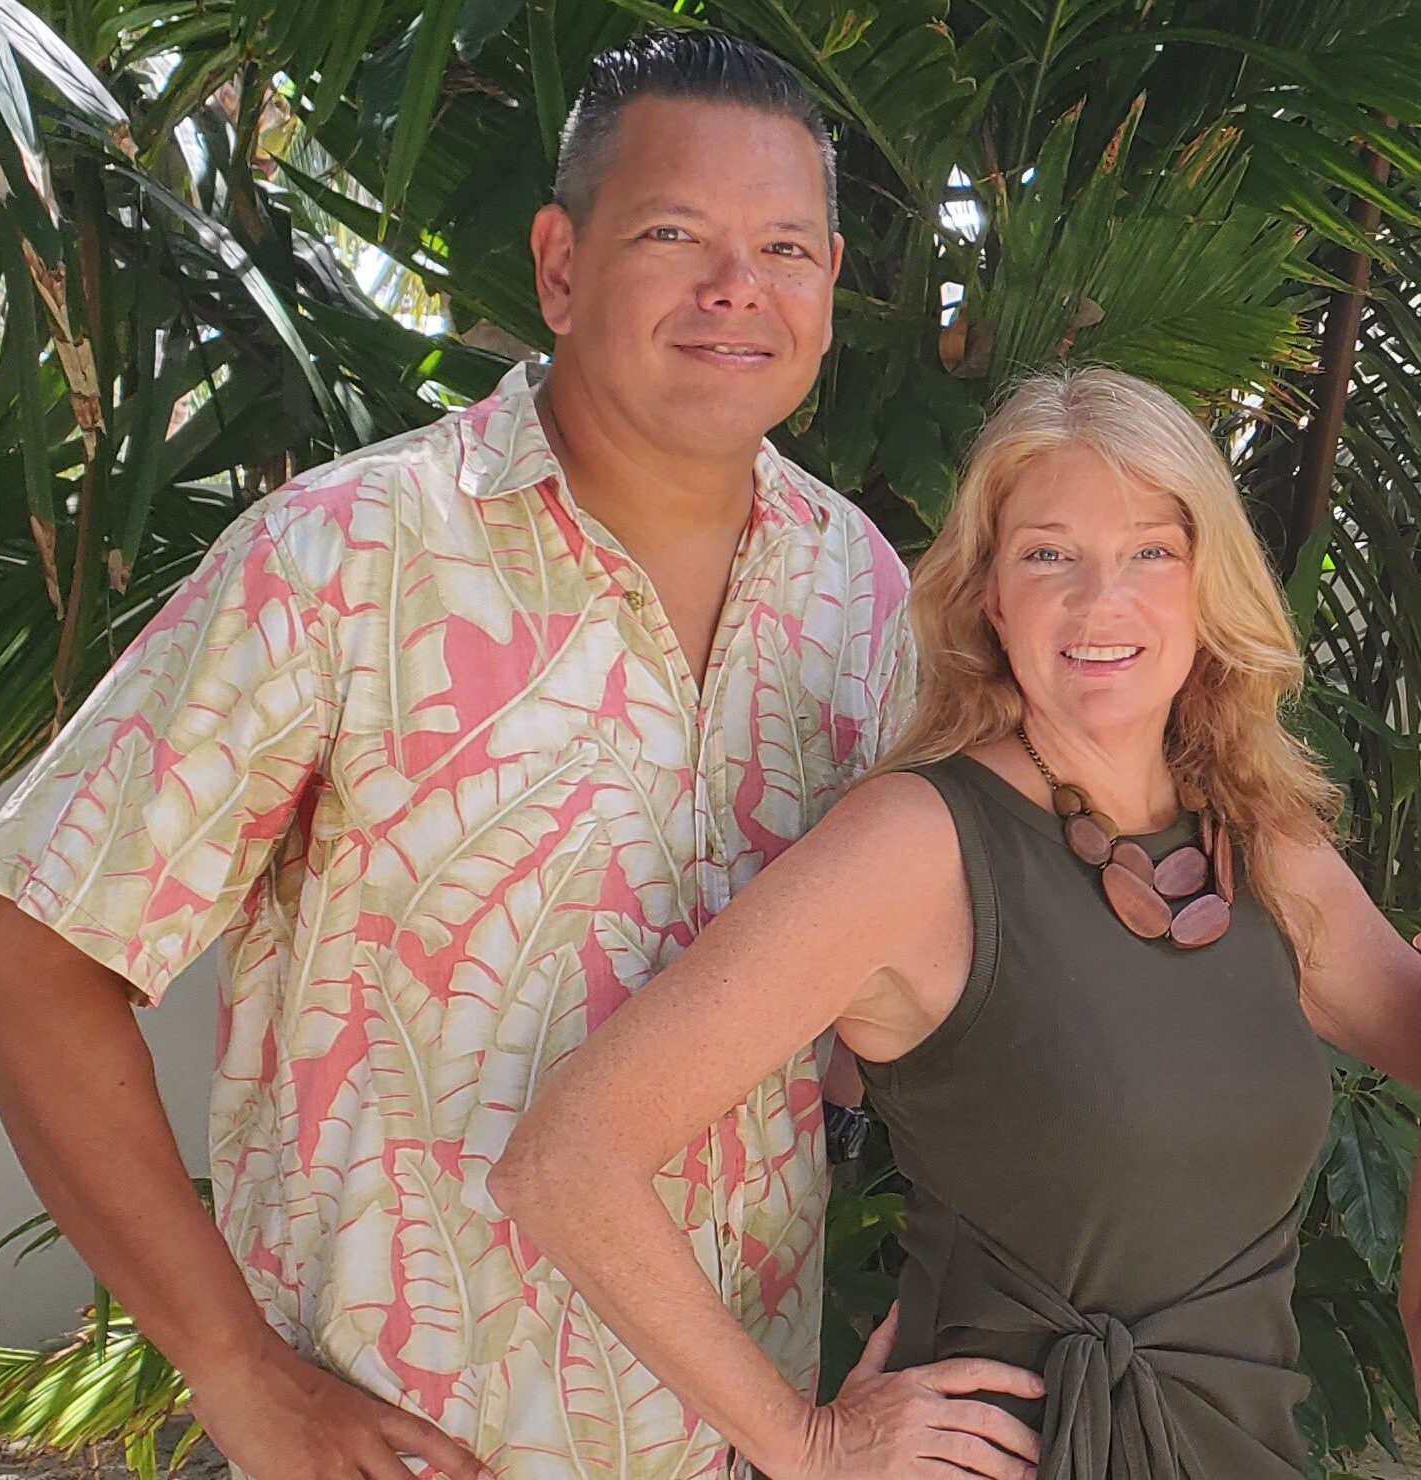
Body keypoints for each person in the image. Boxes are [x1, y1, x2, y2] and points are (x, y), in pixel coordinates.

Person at [0, 31, 933, 1480]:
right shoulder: (345, 560)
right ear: (560, 263)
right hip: (415, 1442)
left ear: (830, 286)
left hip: (742, 1438)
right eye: (676, 234)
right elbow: (18, 952)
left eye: (785, 246)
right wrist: (230, 1363)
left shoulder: (859, 590)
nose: (740, 289)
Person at [490, 366, 1421, 1479]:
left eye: (1148, 551)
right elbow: (564, 1159)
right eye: (1046, 555)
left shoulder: (1256, 838)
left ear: (1204, 581)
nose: (1099, 601)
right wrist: (807, 1442)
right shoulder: (916, 843)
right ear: (988, 593)